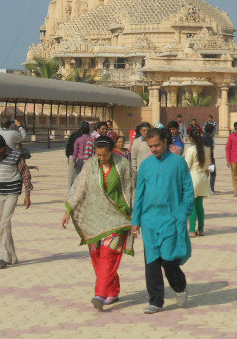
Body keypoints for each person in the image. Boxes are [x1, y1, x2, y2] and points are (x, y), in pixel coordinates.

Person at [63, 136, 133, 309]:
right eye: (98, 155)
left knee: (109, 254)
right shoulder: (90, 165)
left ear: (112, 151)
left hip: (118, 217)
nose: (101, 158)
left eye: (104, 155)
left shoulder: (123, 165)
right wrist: (69, 209)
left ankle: (100, 295)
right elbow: (79, 187)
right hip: (94, 218)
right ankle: (113, 290)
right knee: (98, 256)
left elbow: (132, 190)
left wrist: (135, 216)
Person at [131, 128, 194, 314]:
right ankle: (156, 301)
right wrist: (136, 220)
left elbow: (188, 191)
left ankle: (180, 287)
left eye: (157, 145)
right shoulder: (145, 165)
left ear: (165, 142)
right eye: (150, 146)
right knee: (151, 263)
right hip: (150, 221)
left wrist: (183, 214)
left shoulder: (178, 163)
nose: (154, 149)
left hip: (171, 220)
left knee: (168, 261)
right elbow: (140, 194)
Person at [0, 134, 33, 268]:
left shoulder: (16, 155)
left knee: (4, 223)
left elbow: (25, 174)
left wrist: (27, 195)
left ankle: (1, 257)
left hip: (12, 193)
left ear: (4, 146)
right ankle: (12, 257)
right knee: (4, 225)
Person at [183, 128, 210, 237]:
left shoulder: (191, 150)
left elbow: (187, 165)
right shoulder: (206, 149)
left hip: (193, 177)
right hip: (203, 177)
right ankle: (201, 229)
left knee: (192, 205)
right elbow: (208, 165)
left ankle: (192, 229)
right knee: (200, 205)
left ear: (191, 138)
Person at [66, 121, 90, 186]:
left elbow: (70, 148)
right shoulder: (90, 138)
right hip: (87, 159)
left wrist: (70, 158)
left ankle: (71, 192)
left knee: (73, 178)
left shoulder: (75, 136)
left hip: (75, 158)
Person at [201, 118, 218, 194]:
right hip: (209, 158)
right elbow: (209, 149)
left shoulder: (203, 136)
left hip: (203, 157)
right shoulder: (209, 138)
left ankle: (203, 189)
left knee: (205, 174)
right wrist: (210, 160)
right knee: (213, 174)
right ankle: (211, 189)